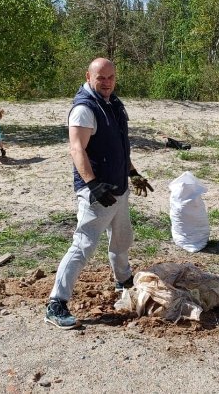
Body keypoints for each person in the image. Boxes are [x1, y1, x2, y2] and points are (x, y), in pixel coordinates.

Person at [45, 58, 154, 330]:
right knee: (83, 245)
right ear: (88, 76)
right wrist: (92, 184)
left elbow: (118, 147)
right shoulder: (84, 108)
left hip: (118, 187)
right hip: (97, 192)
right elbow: (76, 149)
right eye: (101, 77)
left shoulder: (113, 104)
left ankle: (123, 280)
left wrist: (132, 173)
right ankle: (56, 302)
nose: (106, 82)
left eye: (111, 77)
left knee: (122, 238)